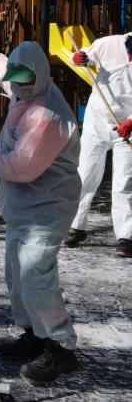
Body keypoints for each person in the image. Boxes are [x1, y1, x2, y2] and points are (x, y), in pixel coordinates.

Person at [0, 41, 81, 385]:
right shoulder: (23, 87)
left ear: (41, 77)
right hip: (21, 207)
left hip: (47, 206)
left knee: (35, 278)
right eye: (15, 78)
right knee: (16, 275)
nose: (17, 85)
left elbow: (22, 166)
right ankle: (34, 334)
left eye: (25, 79)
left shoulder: (46, 115)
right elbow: (7, 75)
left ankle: (61, 349)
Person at [65, 32, 132, 258]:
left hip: (127, 125)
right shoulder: (108, 44)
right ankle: (76, 226)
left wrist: (131, 123)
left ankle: (126, 236)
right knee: (85, 174)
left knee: (124, 180)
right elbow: (84, 55)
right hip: (97, 120)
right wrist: (80, 58)